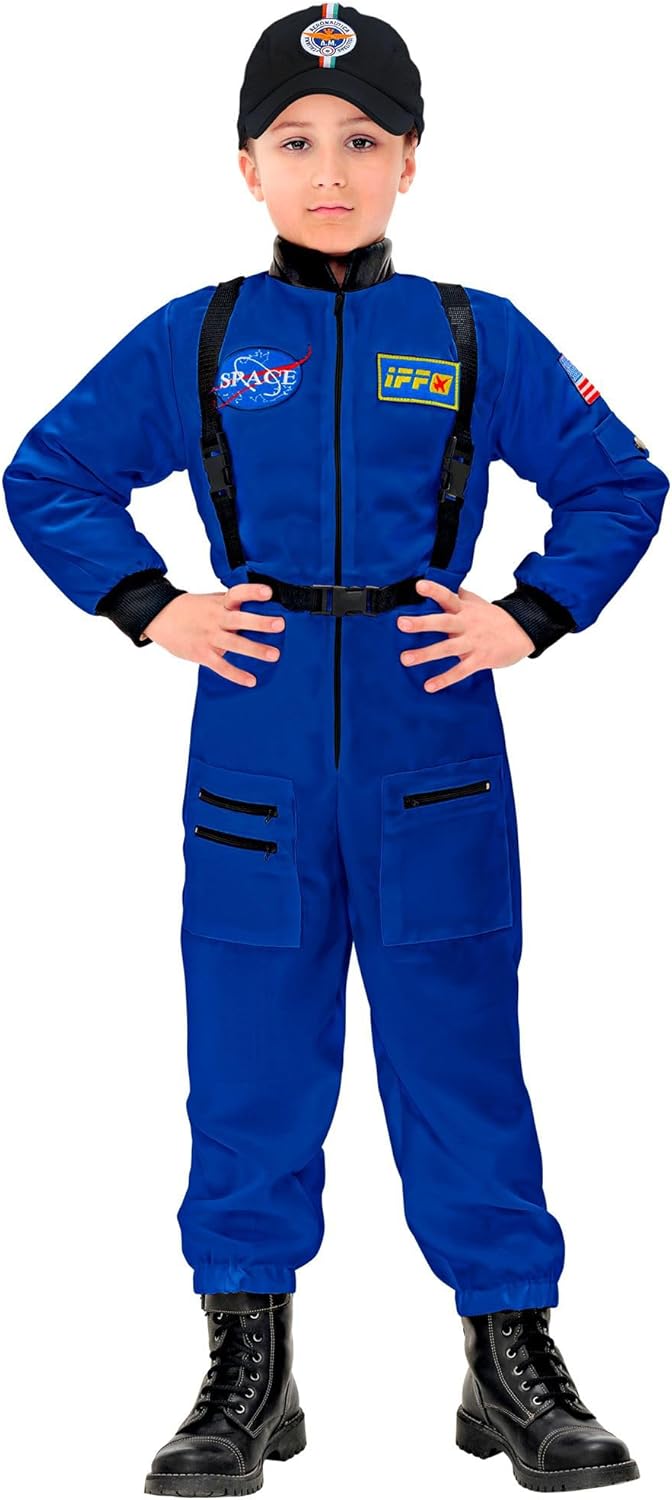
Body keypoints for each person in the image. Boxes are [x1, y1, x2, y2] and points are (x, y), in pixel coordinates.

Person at [3, 5, 667, 1495]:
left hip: (435, 734)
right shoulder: (204, 337)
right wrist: (150, 604)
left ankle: (511, 1351)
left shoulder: (475, 333)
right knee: (249, 1050)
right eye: (295, 142)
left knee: (460, 1046)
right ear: (245, 164)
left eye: (362, 141)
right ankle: (248, 1365)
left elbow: (620, 482)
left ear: (410, 160)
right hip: (257, 729)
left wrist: (533, 615)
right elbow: (50, 472)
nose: (329, 170)